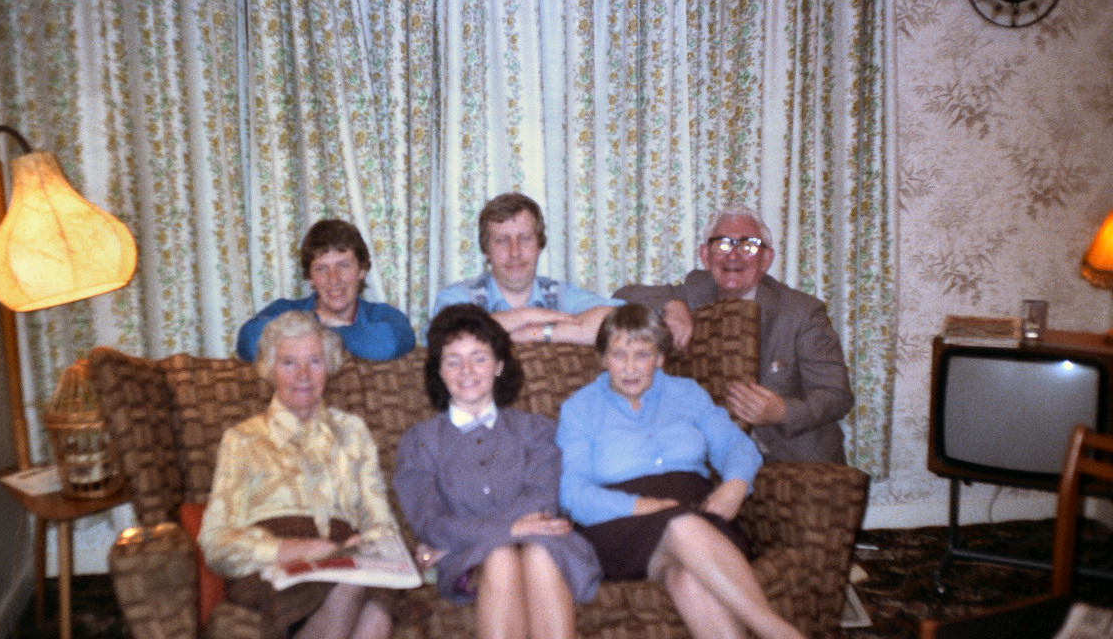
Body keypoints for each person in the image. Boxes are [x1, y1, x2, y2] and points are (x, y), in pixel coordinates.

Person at [555, 303, 857, 639]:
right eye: (618, 354)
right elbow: (573, 493)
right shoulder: (579, 408)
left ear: (660, 358)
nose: (629, 366)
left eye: (642, 354)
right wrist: (645, 506)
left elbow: (737, 446)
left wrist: (735, 486)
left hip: (702, 519)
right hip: (619, 528)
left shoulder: (688, 394)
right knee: (681, 523)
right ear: (602, 358)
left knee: (688, 580)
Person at [393, 304, 601, 639]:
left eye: (479, 357)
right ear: (439, 372)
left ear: (500, 365)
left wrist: (497, 530)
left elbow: (543, 500)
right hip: (473, 560)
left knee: (539, 555)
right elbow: (430, 522)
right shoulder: (420, 442)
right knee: (503, 558)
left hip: (545, 545)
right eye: (453, 360)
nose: (467, 370)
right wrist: (508, 531)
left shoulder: (536, 430)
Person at [200, 311, 400, 639]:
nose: (303, 375)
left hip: (345, 557)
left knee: (379, 616)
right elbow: (214, 542)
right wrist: (291, 549)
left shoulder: (353, 431)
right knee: (353, 587)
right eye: (289, 362)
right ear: (269, 369)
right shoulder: (243, 439)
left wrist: (379, 548)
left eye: (314, 361)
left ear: (329, 367)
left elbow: (379, 519)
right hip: (275, 566)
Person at [615, 207, 853, 463]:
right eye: (722, 244)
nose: (733, 255)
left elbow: (836, 396)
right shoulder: (695, 293)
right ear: (705, 256)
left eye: (748, 246)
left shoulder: (802, 313)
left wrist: (782, 412)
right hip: (715, 458)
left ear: (766, 259)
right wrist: (671, 306)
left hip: (793, 460)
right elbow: (623, 296)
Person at [431, 192, 621, 345]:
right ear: (486, 250)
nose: (515, 252)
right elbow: (446, 336)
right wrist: (528, 315)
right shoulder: (459, 297)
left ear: (539, 245)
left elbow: (624, 319)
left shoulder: (559, 294)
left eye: (524, 239)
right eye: (502, 241)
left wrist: (537, 332)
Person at [237, 219, 415, 362]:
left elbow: (389, 344)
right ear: (310, 277)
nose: (333, 279)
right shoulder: (285, 310)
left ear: (362, 270)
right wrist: (315, 320)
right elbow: (248, 342)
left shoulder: (381, 315)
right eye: (321, 269)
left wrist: (336, 328)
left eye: (343, 265)